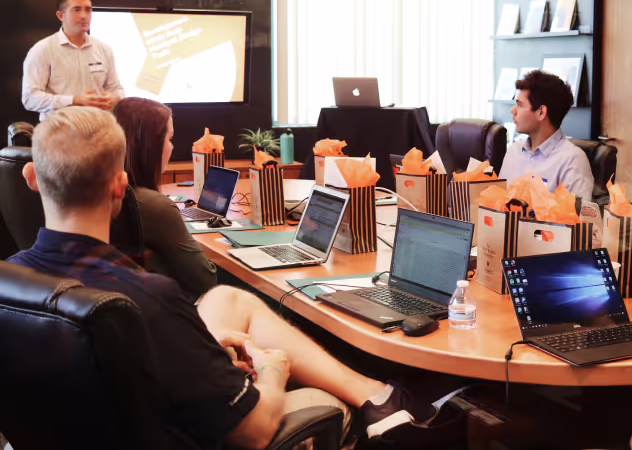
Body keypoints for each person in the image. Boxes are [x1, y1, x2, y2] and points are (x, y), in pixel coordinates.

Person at [8, 106, 430, 449]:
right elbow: (254, 430)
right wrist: (273, 370)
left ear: (30, 178)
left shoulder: (12, 281)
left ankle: (376, 391)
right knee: (323, 403)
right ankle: (377, 402)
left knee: (229, 299)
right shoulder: (148, 299)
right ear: (120, 186)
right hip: (198, 434)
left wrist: (201, 350)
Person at [113, 97, 217, 300]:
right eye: (169, 139)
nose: (172, 147)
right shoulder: (154, 206)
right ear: (149, 145)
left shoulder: (102, 194)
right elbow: (206, 280)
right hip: (172, 312)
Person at [22, 0, 124, 120]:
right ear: (60, 16)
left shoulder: (104, 49)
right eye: (76, 9)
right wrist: (74, 100)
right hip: (59, 132)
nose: (84, 16)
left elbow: (117, 89)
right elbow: (30, 98)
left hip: (98, 130)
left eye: (88, 10)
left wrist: (114, 98)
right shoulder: (42, 50)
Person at [500, 70, 593, 201]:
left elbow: (578, 219)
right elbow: (496, 206)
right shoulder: (514, 151)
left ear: (541, 112)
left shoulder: (572, 160)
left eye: (520, 105)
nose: (513, 110)